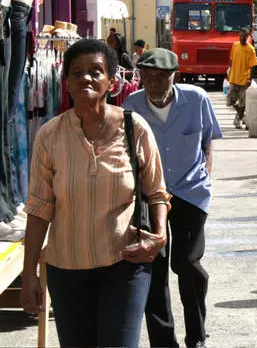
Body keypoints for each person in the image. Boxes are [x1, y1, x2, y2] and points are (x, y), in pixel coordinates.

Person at [20, 39, 171, 347]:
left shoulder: (134, 128)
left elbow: (156, 192)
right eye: (76, 72)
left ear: (112, 82)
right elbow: (38, 209)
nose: (85, 78)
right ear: (66, 83)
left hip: (125, 264)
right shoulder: (50, 136)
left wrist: (158, 236)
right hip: (66, 269)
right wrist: (28, 275)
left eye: (95, 71)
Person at [123, 49, 222, 348]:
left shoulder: (197, 99)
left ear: (174, 76)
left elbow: (207, 141)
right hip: (149, 195)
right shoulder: (131, 105)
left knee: (187, 264)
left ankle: (196, 335)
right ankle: (164, 342)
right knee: (154, 268)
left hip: (190, 192)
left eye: (160, 78)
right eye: (147, 77)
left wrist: (206, 176)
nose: (153, 84)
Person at [228, 28, 257, 129]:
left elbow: (253, 66)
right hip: (233, 78)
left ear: (248, 36)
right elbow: (232, 60)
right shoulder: (235, 46)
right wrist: (229, 71)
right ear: (238, 35)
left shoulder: (251, 49)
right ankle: (242, 115)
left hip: (244, 80)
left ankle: (239, 119)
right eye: (241, 35)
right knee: (231, 101)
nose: (243, 38)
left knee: (243, 103)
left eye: (245, 36)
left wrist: (250, 79)